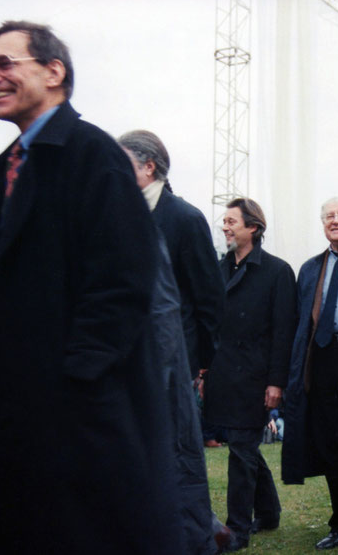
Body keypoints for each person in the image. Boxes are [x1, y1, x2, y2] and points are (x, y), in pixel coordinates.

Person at [0, 21, 181, 554]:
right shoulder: (6, 169)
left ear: (54, 71)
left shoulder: (94, 157)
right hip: (18, 415)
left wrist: (76, 381)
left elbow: (123, 282)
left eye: (5, 64)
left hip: (77, 414)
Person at [118, 130, 228, 555]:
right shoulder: (120, 215)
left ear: (148, 167)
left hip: (172, 361)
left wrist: (202, 365)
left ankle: (199, 536)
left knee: (177, 455)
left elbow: (209, 299)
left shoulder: (184, 217)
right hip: (127, 360)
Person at [203, 198, 297, 552]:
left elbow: (283, 332)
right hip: (224, 373)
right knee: (245, 448)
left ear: (253, 228)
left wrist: (277, 382)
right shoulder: (219, 267)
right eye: (223, 221)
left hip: (257, 377)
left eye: (231, 221)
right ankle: (269, 512)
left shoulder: (277, 271)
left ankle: (237, 529)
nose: (225, 227)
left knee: (241, 451)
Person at [282, 197, 338, 550]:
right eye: (329, 216)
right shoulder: (311, 268)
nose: (335, 220)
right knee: (332, 446)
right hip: (322, 361)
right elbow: (300, 323)